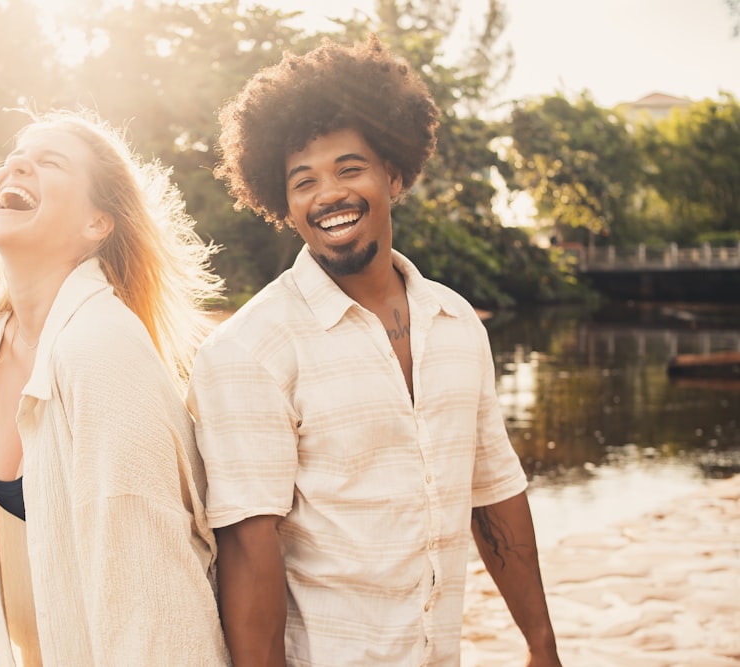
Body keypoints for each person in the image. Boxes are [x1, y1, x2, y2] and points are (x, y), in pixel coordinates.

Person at [186, 36, 562, 666]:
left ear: (392, 173)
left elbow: (493, 490)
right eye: (303, 181)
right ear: (283, 202)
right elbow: (251, 555)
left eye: (349, 168)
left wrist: (541, 644)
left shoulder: (456, 322)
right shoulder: (250, 351)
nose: (327, 194)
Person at [0, 108, 229, 666]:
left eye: (48, 161)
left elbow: (155, 595)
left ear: (96, 223)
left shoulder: (102, 348)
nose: (16, 165)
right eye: (13, 156)